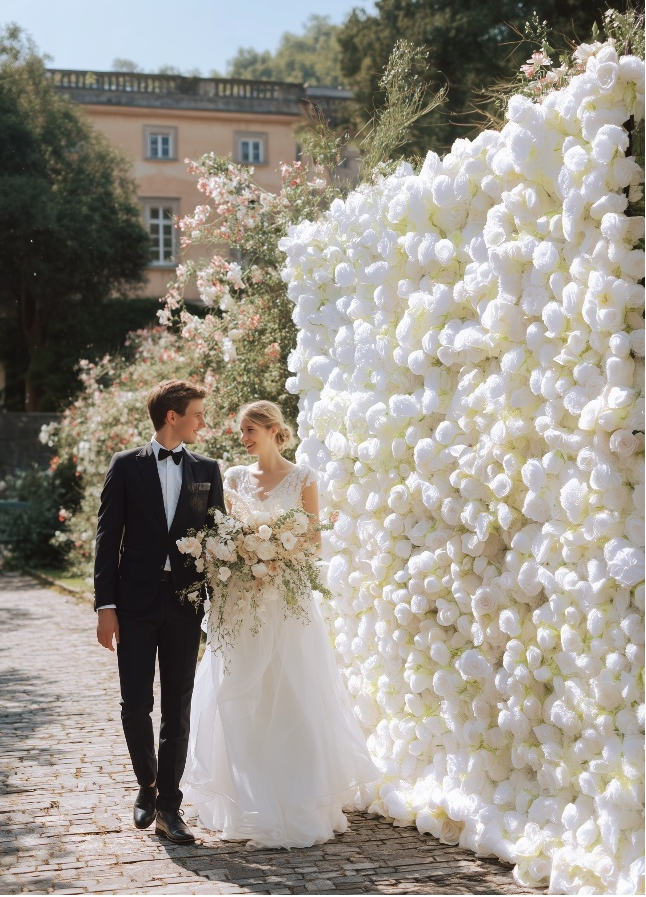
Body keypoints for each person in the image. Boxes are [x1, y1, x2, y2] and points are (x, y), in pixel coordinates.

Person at [182, 400, 377, 848]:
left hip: (286, 604)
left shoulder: (304, 478)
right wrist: (245, 554)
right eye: (242, 431)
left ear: (273, 430)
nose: (244, 438)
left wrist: (275, 555)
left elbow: (313, 540)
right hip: (241, 603)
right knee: (241, 698)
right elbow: (221, 534)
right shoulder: (231, 478)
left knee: (291, 695)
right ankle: (247, 804)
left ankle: (299, 802)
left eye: (250, 429)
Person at [94, 380, 224, 844]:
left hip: (186, 603)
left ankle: (170, 806)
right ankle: (147, 784)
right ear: (173, 416)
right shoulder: (126, 466)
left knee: (178, 708)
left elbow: (218, 537)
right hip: (133, 603)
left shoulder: (207, 469)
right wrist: (105, 606)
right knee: (135, 704)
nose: (202, 421)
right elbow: (108, 539)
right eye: (197, 413)